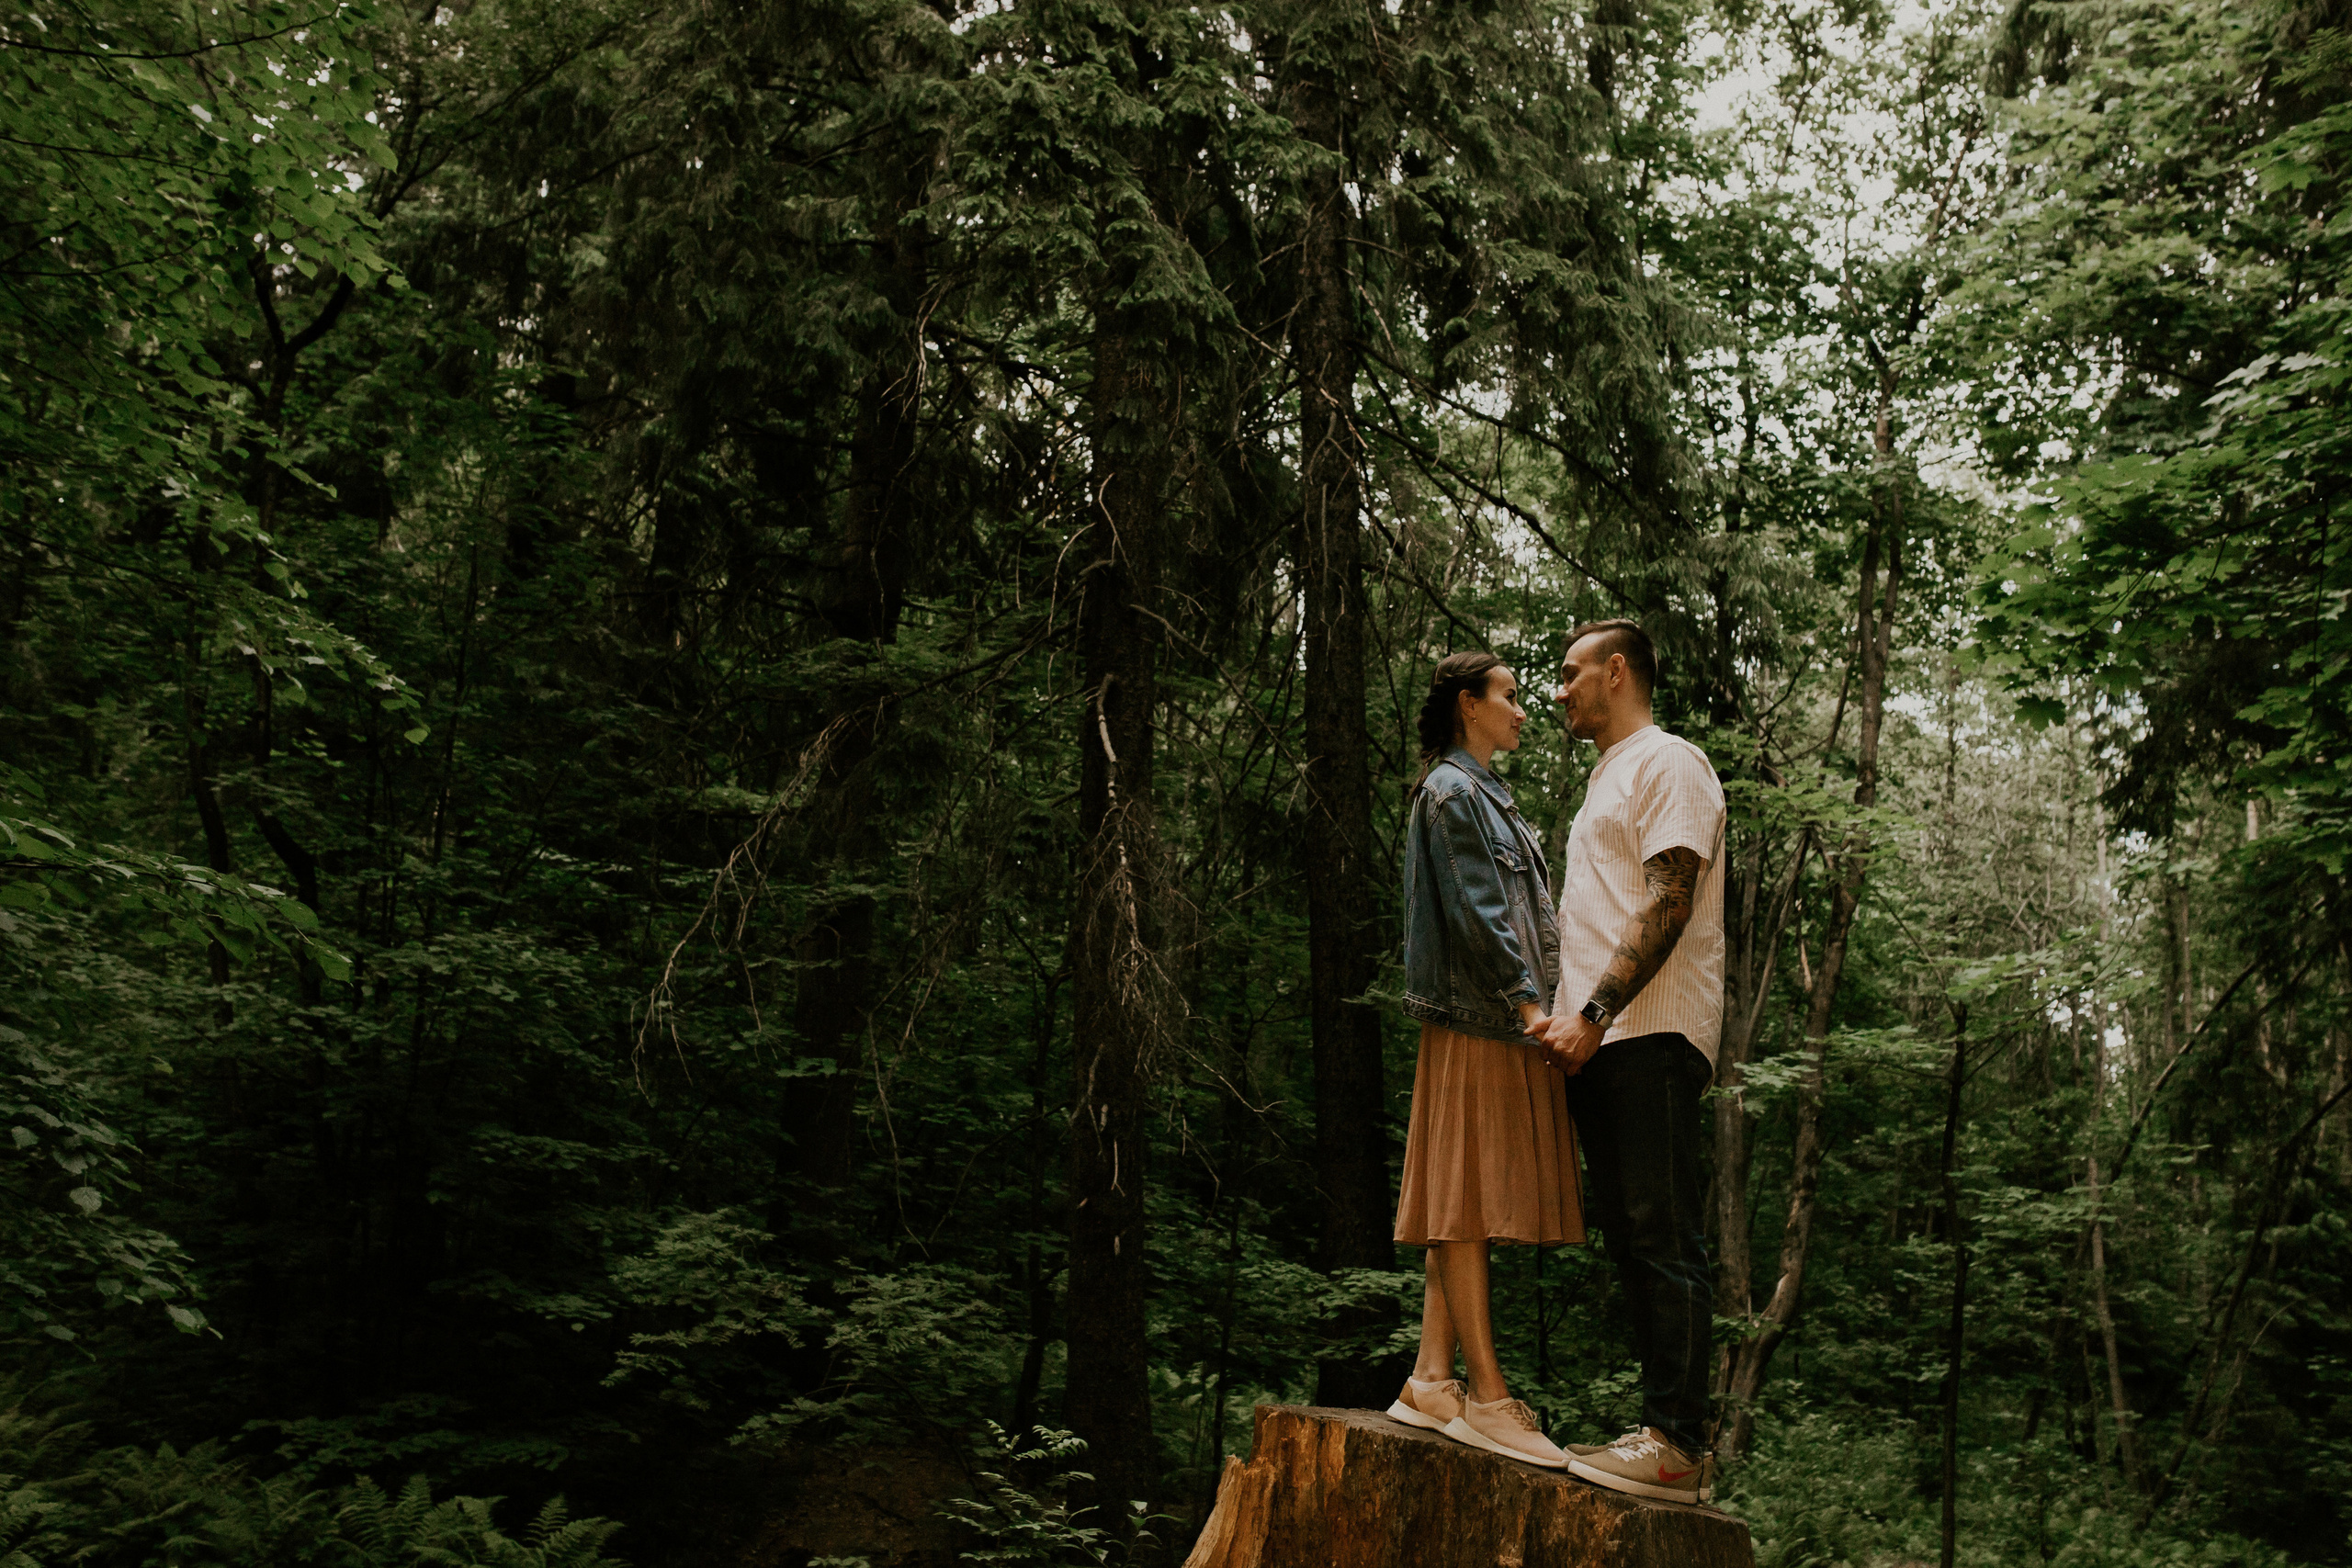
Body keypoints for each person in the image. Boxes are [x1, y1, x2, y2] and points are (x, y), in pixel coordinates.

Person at [1534, 619, 1727, 1506]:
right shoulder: (1605, 779)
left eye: (1572, 673)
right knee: (1635, 1237)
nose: (1558, 689)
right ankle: (1658, 1432)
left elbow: (1671, 897)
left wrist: (1595, 1013)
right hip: (1603, 1043)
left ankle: (1679, 1443)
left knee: (1663, 1233)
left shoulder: (1669, 761)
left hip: (1647, 1032)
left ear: (1618, 672)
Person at [1386, 651, 1585, 1469]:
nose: (1523, 710)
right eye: (1509, 696)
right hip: (1485, 1016)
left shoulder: (1487, 794)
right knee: (1465, 1201)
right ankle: (1488, 1397)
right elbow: (1476, 906)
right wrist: (1529, 1003)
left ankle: (1433, 1378)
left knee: (1459, 1197)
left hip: (1492, 1016)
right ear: (1470, 705)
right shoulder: (1454, 792)